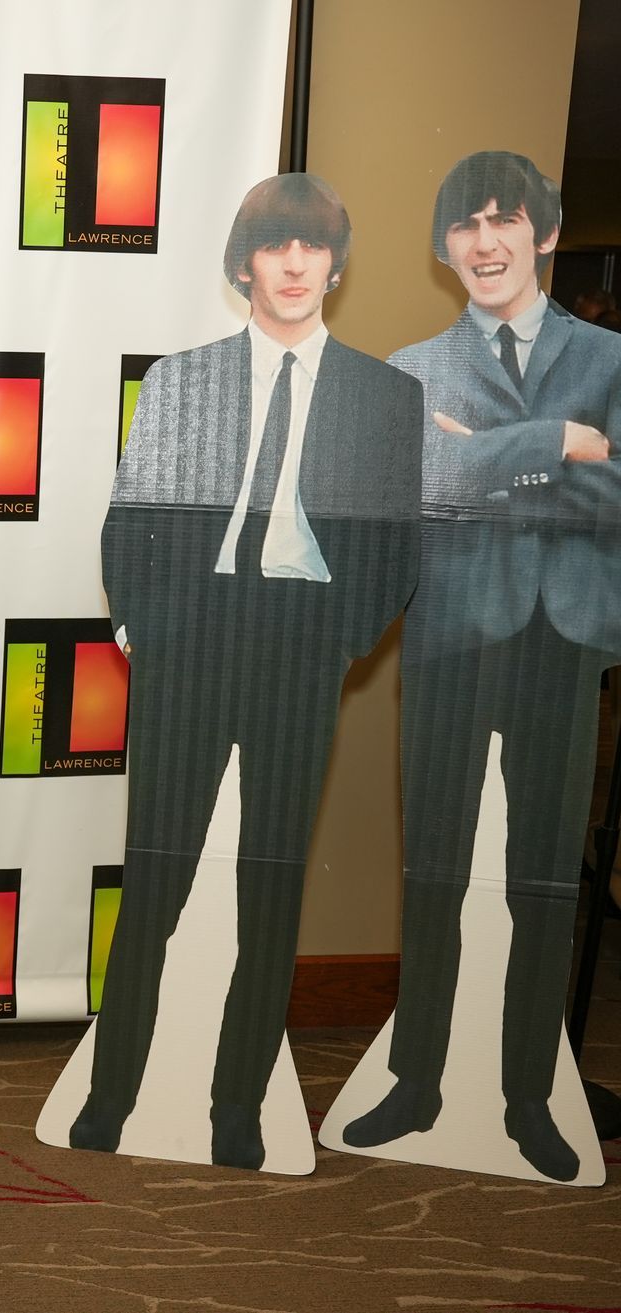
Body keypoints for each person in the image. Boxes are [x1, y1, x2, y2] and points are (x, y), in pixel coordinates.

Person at [68, 174, 422, 1170]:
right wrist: (143, 622)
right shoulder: (185, 380)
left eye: (314, 248)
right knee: (159, 880)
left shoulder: (381, 396)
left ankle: (237, 1105)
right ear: (244, 265)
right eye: (276, 247)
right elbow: (131, 515)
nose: (297, 265)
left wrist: (343, 638)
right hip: (190, 642)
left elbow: (398, 548)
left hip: (300, 650)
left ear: (336, 265)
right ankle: (112, 1090)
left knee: (268, 885)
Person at [340, 152, 621, 1181]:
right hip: (452, 634)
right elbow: (422, 488)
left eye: (508, 220)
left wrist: (488, 462)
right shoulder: (413, 369)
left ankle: (528, 1095)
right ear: (443, 244)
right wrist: (553, 444)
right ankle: (416, 1080)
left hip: (565, 639)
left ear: (544, 232)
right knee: (438, 869)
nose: (487, 241)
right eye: (467, 224)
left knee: (544, 878)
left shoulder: (612, 360)